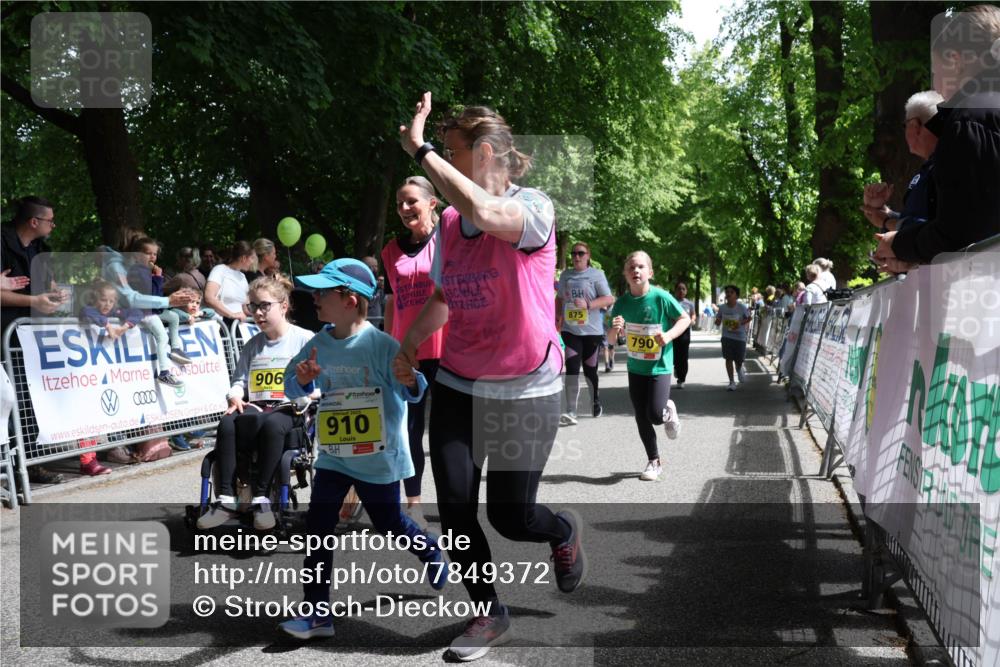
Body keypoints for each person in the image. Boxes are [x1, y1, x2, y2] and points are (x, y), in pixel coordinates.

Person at [393, 92, 585, 661]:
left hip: (526, 386)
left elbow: (485, 212)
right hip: (459, 380)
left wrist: (423, 150)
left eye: (453, 155)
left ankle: (561, 532)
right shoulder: (449, 225)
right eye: (443, 156)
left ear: (484, 153)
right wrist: (405, 346)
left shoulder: (534, 209)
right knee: (454, 506)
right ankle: (487, 612)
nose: (445, 169)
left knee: (511, 516)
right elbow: (444, 297)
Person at [277, 258, 448, 639]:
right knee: (318, 529)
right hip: (336, 459)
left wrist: (410, 378)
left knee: (389, 524)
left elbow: (412, 390)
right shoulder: (317, 343)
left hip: (377, 459)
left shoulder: (381, 345)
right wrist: (302, 380)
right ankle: (317, 613)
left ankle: (429, 549)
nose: (315, 298)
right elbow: (291, 385)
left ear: (350, 300)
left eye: (324, 292)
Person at [875, 4, 1000, 272]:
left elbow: (958, 236)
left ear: (955, 60)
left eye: (935, 71)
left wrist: (899, 244)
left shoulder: (968, 121)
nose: (935, 85)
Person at [196, 274, 315, 531]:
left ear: (283, 306)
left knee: (273, 424)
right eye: (253, 306)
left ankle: (261, 499)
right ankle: (226, 500)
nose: (258, 313)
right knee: (227, 423)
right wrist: (235, 395)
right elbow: (239, 380)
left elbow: (321, 383)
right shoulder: (252, 345)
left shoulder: (304, 339)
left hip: (289, 409)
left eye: (264, 305)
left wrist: (303, 394)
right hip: (257, 407)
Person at [382, 175, 446, 528]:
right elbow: (393, 304)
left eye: (411, 202)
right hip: (410, 354)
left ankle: (456, 502)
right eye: (399, 204)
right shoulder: (391, 250)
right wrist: (393, 348)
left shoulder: (450, 238)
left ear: (432, 203)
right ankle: (414, 503)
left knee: (451, 432)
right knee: (410, 431)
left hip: (448, 348)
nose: (404, 209)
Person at [607, 252, 689, 482]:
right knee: (641, 416)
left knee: (654, 414)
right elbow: (611, 340)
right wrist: (615, 328)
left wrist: (669, 335)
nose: (636, 271)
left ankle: (667, 409)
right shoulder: (621, 303)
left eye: (641, 267)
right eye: (631, 267)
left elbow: (684, 318)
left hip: (660, 366)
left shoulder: (661, 297)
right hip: (636, 367)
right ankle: (654, 461)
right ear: (625, 274)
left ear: (650, 273)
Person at [862, 91, 943, 234]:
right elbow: (919, 221)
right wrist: (885, 213)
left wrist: (887, 222)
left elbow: (936, 231)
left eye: (905, 125)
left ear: (915, 125)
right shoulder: (929, 168)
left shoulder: (945, 168)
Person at [555, 242, 614, 424]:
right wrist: (557, 318)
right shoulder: (566, 275)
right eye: (573, 254)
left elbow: (609, 298)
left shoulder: (596, 275)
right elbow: (559, 298)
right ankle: (571, 409)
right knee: (572, 369)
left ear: (588, 255)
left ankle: (595, 400)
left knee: (590, 371)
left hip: (592, 332)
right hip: (571, 330)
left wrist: (588, 304)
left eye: (580, 253)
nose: (576, 257)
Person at [126, 236, 191, 386]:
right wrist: (158, 277)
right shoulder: (138, 271)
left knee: (173, 317)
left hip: (152, 309)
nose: (152, 257)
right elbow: (152, 294)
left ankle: (175, 349)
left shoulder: (145, 270)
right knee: (162, 338)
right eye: (148, 253)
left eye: (154, 254)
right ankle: (164, 373)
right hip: (144, 313)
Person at [205, 240, 255, 326]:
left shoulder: (242, 276)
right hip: (222, 325)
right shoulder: (219, 270)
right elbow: (209, 297)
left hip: (239, 327)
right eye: (252, 258)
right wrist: (231, 315)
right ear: (244, 258)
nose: (253, 262)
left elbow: (245, 306)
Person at [714, 285, 752, 391]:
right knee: (728, 358)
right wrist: (717, 321)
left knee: (739, 359)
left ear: (736, 295)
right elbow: (718, 320)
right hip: (727, 336)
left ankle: (739, 368)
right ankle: (731, 382)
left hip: (740, 337)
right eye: (727, 292)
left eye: (731, 292)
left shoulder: (742, 307)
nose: (728, 294)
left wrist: (741, 322)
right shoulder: (722, 308)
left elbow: (749, 318)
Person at [672, 281, 696, 389]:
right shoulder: (671, 302)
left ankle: (682, 379)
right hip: (673, 331)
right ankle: (676, 368)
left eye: (683, 289)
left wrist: (692, 320)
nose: (681, 291)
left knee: (683, 355)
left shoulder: (689, 303)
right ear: (675, 291)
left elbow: (693, 314)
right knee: (674, 354)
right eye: (679, 289)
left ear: (686, 291)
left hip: (685, 332)